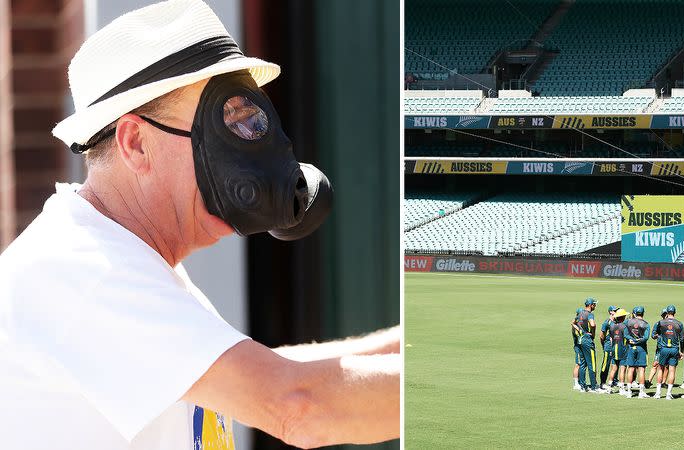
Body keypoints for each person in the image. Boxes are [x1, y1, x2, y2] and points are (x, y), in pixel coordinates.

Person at [0, 1, 399, 449]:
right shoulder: (85, 271)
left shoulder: (126, 261)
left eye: (253, 121)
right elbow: (296, 404)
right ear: (135, 144)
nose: (254, 149)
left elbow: (259, 375)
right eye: (228, 126)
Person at [573, 298, 605, 393]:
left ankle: (583, 386)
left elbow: (573, 322)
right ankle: (594, 386)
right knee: (592, 364)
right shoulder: (590, 314)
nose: (595, 306)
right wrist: (593, 333)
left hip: (580, 339)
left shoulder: (580, 313)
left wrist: (579, 330)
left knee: (583, 364)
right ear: (591, 305)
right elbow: (593, 324)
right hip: (587, 339)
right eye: (594, 304)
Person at [651, 305, 683, 399]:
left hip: (663, 349)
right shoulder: (679, 324)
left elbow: (653, 335)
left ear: (666, 313)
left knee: (660, 369)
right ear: (674, 312)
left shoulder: (660, 322)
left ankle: (658, 393)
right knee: (672, 370)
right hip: (674, 349)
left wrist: (658, 336)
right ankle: (669, 394)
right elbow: (681, 339)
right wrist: (681, 351)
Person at [622, 306, 650, 398]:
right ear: (643, 313)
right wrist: (638, 341)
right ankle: (641, 392)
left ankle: (629, 391)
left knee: (630, 368)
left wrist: (632, 340)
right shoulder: (646, 324)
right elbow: (645, 338)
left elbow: (625, 334)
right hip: (641, 348)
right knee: (641, 369)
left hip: (631, 347)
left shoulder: (628, 322)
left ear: (634, 313)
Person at [607, 308, 629, 394]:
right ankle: (621, 388)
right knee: (622, 369)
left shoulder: (612, 326)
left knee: (613, 368)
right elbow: (626, 337)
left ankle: (609, 387)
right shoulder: (624, 327)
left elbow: (611, 338)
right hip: (622, 349)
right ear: (622, 317)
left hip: (614, 348)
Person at [646, 308, 667, 389]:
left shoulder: (672, 324)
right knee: (655, 364)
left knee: (667, 366)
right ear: (662, 315)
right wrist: (656, 336)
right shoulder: (658, 324)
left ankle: (663, 382)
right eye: (664, 314)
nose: (666, 316)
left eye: (667, 314)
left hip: (669, 347)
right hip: (660, 347)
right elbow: (653, 335)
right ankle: (649, 381)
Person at [599, 305, 619, 389]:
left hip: (616, 346)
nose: (616, 312)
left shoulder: (617, 322)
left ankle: (614, 380)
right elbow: (601, 336)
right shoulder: (607, 322)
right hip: (608, 346)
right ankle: (602, 382)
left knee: (616, 363)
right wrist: (604, 345)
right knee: (605, 365)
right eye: (615, 311)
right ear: (610, 312)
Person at [572, 307, 585, 390]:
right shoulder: (575, 326)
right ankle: (576, 383)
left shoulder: (579, 324)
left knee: (581, 364)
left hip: (581, 347)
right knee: (578, 364)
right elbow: (581, 335)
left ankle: (580, 382)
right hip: (578, 347)